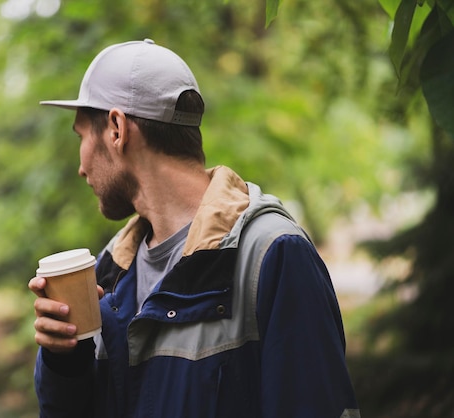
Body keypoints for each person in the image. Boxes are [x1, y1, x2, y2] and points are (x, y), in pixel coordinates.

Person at [29, 39, 360, 418]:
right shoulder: (110, 273)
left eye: (81, 136)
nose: (81, 166)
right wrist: (64, 361)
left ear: (117, 129)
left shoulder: (273, 255)